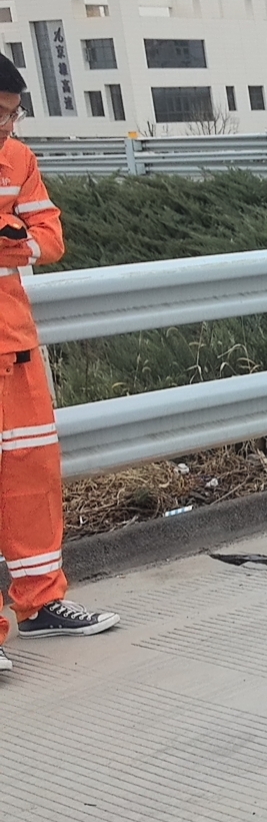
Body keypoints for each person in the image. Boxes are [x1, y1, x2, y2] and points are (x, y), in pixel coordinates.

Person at [0, 56, 120, 676]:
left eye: (13, 114)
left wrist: (17, 238)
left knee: (33, 477)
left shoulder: (17, 159)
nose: (7, 126)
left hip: (14, 347)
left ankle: (41, 603)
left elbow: (50, 236)